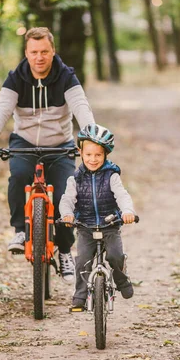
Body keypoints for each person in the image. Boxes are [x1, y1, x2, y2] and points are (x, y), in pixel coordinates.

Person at [0, 27, 94, 282]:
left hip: (60, 145)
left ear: (53, 52)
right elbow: (1, 111)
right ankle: (20, 230)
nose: (39, 57)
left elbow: (82, 109)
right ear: (26, 53)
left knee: (67, 193)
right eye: (34, 52)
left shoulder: (66, 77)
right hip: (25, 143)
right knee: (19, 175)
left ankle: (64, 250)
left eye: (44, 51)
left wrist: (89, 138)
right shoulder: (15, 78)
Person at [59, 124, 136, 309]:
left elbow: (122, 195)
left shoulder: (111, 176)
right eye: (88, 155)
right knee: (82, 261)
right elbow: (67, 199)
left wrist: (127, 211)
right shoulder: (75, 178)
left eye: (98, 155)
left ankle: (121, 279)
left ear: (105, 155)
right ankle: (80, 297)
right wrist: (67, 214)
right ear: (80, 153)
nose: (93, 159)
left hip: (109, 224)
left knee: (115, 256)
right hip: (85, 227)